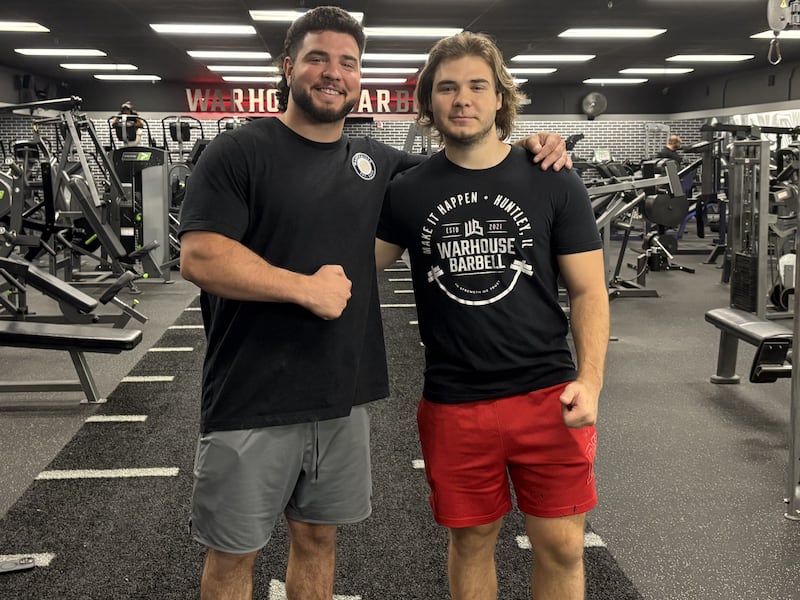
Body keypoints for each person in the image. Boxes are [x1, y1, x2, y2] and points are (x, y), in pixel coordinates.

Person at [178, 7, 571, 600]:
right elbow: (201, 257)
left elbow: (469, 166)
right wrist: (303, 286)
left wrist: (534, 146)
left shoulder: (379, 164)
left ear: (360, 76)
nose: (332, 73)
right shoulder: (239, 150)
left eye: (347, 62)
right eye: (317, 58)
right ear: (288, 67)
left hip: (340, 399)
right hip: (250, 397)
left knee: (317, 541)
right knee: (234, 558)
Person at [375, 32, 610, 600]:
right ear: (429, 102)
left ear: (500, 98)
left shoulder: (552, 177)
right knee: (472, 541)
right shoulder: (406, 191)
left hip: (546, 394)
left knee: (562, 545)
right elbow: (356, 272)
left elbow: (588, 291)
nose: (463, 99)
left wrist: (592, 380)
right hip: (455, 401)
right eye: (447, 88)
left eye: (478, 86)